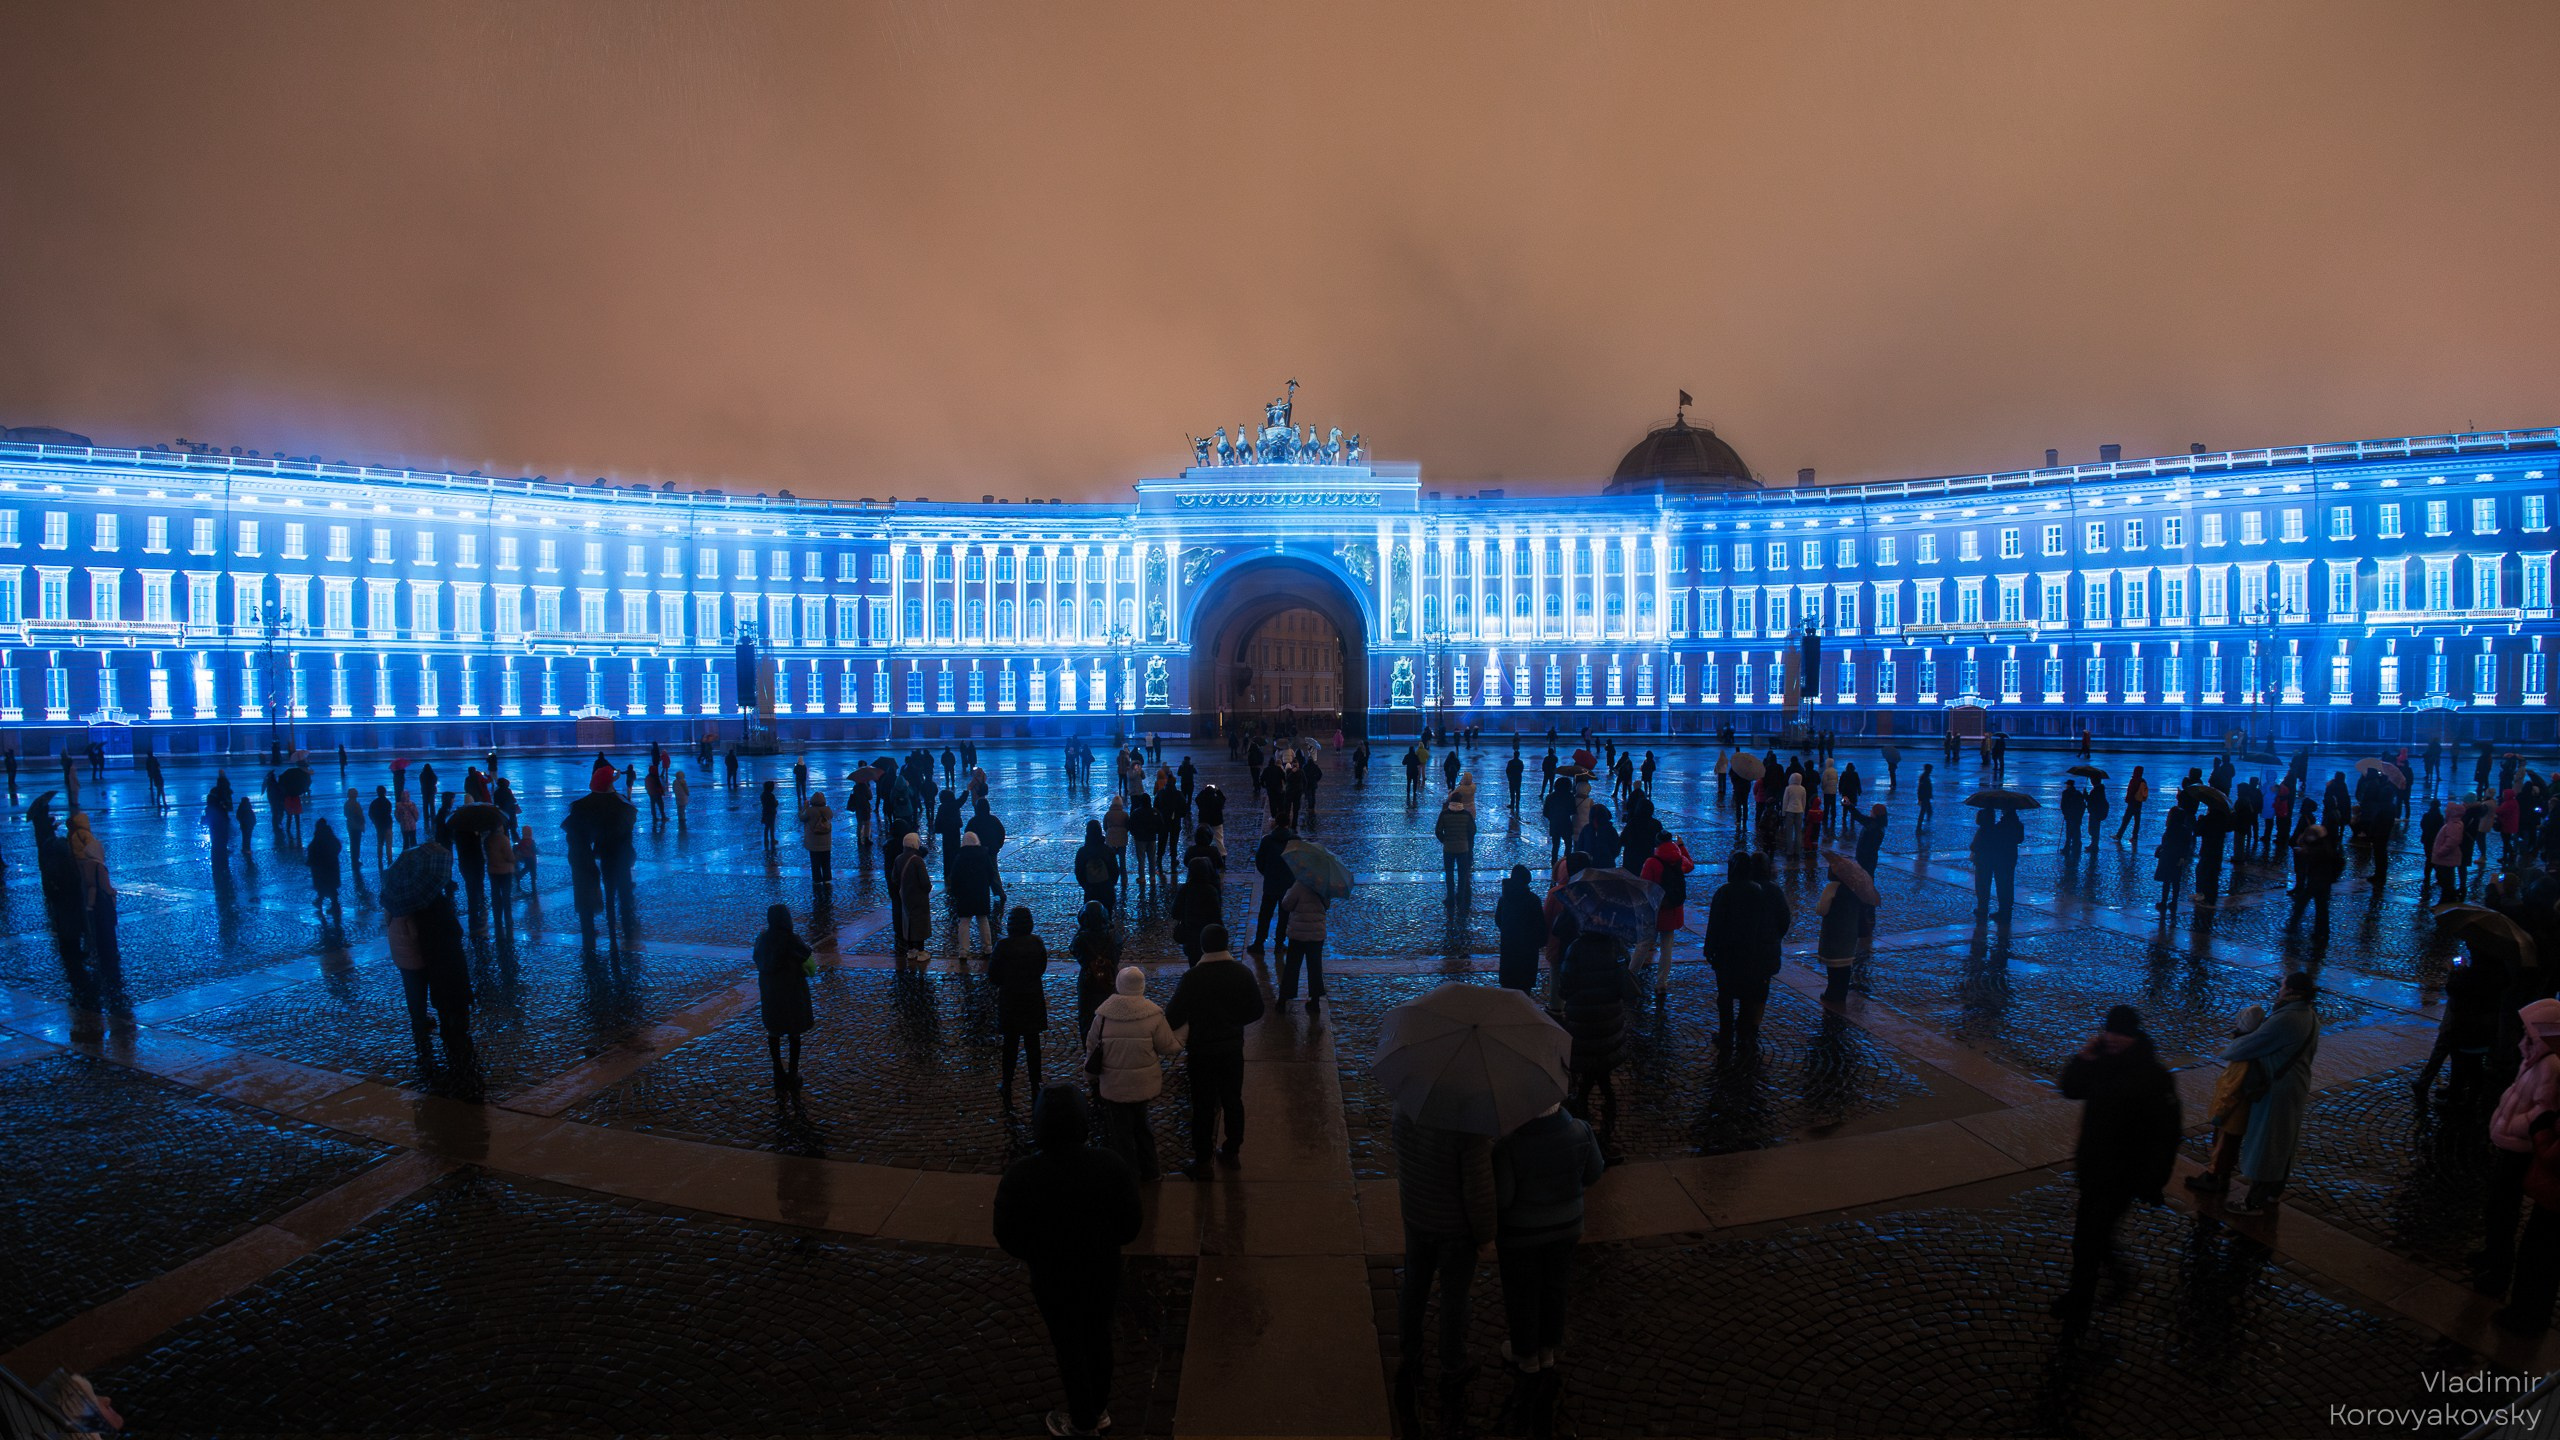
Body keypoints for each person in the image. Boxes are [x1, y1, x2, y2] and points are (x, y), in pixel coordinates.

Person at [993, 1084, 1145, 1439]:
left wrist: (1037, 1253)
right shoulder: (1111, 1165)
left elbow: (1008, 1234)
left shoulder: (1022, 1175)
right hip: (1103, 1270)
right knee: (1098, 1336)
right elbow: (1131, 1225)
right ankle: (1097, 1408)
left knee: (1068, 1344)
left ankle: (1083, 1421)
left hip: (1051, 1275)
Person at [2052, 1005, 2179, 1318]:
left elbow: (2167, 1134)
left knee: (2089, 1237)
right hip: (2094, 1167)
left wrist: (2153, 1180)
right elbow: (2070, 1088)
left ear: (2134, 1036)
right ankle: (2111, 1279)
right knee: (2092, 1236)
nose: (2112, 1037)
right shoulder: (2102, 1063)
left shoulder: (2154, 1076)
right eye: (2109, 1030)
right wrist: (2084, 1057)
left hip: (2124, 1173)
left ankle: (2082, 1297)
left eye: (2120, 1032)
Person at [1493, 1099, 1607, 1434]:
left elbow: (1504, 1198)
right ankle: (1548, 1350)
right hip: (1568, 1226)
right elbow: (1595, 1172)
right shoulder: (1580, 1130)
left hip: (1522, 1234)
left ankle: (1526, 1354)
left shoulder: (1509, 1146)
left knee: (1522, 1290)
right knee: (1556, 1287)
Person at [1392, 1106, 1497, 1436]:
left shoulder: (1405, 1110)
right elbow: (1478, 1189)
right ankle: (1453, 1364)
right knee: (1454, 1298)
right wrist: (1486, 1235)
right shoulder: (1469, 1124)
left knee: (1415, 1285)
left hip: (1417, 1214)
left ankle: (1410, 1351)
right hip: (1454, 1230)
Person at [1163, 922, 1264, 1175]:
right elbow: (1257, 1009)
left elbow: (1172, 1016)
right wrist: (1234, 1021)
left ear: (1202, 946)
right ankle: (1231, 1148)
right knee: (1232, 1099)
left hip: (1201, 1051)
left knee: (1203, 1104)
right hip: (1231, 1048)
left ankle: (1202, 1159)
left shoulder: (1193, 978)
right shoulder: (1241, 973)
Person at [2218, 973, 2321, 1215]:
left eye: (2282, 985)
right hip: (2295, 1085)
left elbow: (2247, 1046)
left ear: (2290, 991)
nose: (2279, 989)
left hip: (2277, 1089)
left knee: (2268, 1142)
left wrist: (2231, 1046)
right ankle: (2274, 1191)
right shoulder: (2308, 1015)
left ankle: (2254, 1201)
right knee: (2283, 1142)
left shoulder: (2287, 1018)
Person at [385, 849, 476, 1079]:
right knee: (450, 1012)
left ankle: (424, 1028)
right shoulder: (430, 908)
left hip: (414, 963)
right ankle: (459, 1056)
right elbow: (450, 932)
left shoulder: (400, 907)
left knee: (417, 996)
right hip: (436, 964)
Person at [1087, 966, 1180, 1183]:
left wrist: (1089, 1075)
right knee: (1142, 1127)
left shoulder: (1102, 1016)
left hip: (1113, 1084)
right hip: (1143, 1083)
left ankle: (1125, 1175)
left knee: (1120, 1134)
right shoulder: (1153, 1014)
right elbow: (1167, 1046)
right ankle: (1150, 1171)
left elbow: (1092, 1046)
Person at [1555, 930, 1630, 1157]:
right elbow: (1623, 977)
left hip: (1584, 1021)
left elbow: (1565, 986)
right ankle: (1607, 1123)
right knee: (1602, 1071)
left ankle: (1583, 1122)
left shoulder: (1576, 948)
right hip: (1609, 1021)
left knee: (1591, 1070)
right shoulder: (1616, 944)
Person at [2184, 1006, 2267, 1195]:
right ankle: (2222, 1178)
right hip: (2238, 1113)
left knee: (2222, 1147)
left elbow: (2231, 1089)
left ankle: (2213, 1178)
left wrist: (2220, 1112)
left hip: (2232, 1115)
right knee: (2229, 1148)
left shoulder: (2243, 1056)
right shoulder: (2254, 1049)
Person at [989, 907, 1050, 1100]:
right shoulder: (1037, 943)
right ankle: (1035, 1082)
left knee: (1010, 1044)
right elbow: (1042, 967)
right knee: (1033, 1043)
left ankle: (1007, 1082)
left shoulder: (1003, 946)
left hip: (1010, 1000)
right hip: (1032, 998)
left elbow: (993, 975)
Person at [753, 904, 814, 1089]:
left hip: (770, 991)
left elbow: (757, 958)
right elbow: (810, 965)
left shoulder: (762, 939)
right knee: (794, 1032)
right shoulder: (791, 940)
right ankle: (793, 1072)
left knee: (774, 1030)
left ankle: (777, 1071)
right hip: (792, 991)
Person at [1637, 834, 1693, 998]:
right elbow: (1690, 866)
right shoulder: (1678, 860)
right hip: (1673, 910)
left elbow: (1644, 886)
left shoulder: (1652, 862)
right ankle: (1662, 983)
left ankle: (1630, 976)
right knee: (1667, 948)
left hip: (1655, 910)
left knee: (1643, 945)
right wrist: (1681, 846)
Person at [1811, 863, 1873, 1005]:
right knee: (1846, 964)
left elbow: (1822, 910)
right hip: (1850, 931)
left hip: (1834, 930)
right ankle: (1842, 993)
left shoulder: (1832, 887)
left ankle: (1832, 993)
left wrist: (1817, 905)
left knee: (1833, 965)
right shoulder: (1856, 888)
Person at [1276, 870, 1331, 1014]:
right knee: (1315, 967)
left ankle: (1283, 999)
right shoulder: (1322, 886)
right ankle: (1315, 1001)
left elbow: (1286, 904)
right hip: (1317, 934)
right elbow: (1327, 905)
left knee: (1292, 967)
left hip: (1298, 934)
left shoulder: (1299, 885)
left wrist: (1289, 891)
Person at [1070, 901, 1122, 1040]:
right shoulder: (1113, 936)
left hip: (1089, 982)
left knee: (1087, 1019)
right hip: (1110, 979)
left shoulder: (1081, 940)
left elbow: (1073, 949)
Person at [1495, 864, 1547, 994]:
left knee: (1508, 987)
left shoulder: (1504, 898)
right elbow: (1539, 924)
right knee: (1524, 988)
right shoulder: (1533, 900)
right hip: (1527, 951)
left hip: (1509, 947)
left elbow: (1498, 919)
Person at [890, 833, 932, 969]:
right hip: (918, 896)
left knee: (907, 920)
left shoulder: (899, 858)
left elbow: (894, 878)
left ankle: (911, 950)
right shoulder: (917, 860)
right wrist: (926, 889)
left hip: (905, 895)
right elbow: (925, 882)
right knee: (920, 921)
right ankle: (920, 950)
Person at [1169, 856, 1222, 965]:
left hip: (1190, 937)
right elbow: (1216, 916)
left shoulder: (1185, 889)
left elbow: (1175, 912)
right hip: (1208, 937)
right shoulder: (1211, 890)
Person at [1434, 794, 1477, 904]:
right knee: (1462, 874)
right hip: (1463, 848)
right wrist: (1465, 840)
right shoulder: (1467, 815)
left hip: (1448, 848)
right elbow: (1472, 831)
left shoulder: (1444, 814)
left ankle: (1450, 897)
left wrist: (1445, 840)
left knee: (1449, 874)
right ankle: (1461, 896)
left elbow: (1438, 831)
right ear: (1461, 802)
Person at [307, 819, 343, 925]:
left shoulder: (318, 837)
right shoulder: (330, 835)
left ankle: (323, 903)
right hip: (331, 867)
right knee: (331, 888)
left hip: (321, 869)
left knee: (323, 887)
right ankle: (330, 905)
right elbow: (338, 846)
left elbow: (312, 851)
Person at [798, 790, 836, 891]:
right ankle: (827, 878)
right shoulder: (828, 810)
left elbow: (801, 817)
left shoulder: (810, 811)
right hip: (826, 842)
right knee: (826, 861)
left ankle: (817, 879)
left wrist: (805, 807)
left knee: (815, 862)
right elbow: (831, 816)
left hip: (813, 841)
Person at [2117, 766, 2149, 843]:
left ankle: (2119, 835)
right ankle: (2134, 837)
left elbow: (2130, 791)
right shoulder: (2143, 781)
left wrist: (2127, 799)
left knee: (2126, 820)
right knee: (2137, 821)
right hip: (2139, 803)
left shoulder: (2133, 780)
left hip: (2132, 803)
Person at [1915, 763, 1934, 828]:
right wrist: (1920, 798)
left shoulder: (1925, 776)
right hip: (1925, 797)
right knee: (1924, 811)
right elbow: (1921, 788)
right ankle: (1920, 825)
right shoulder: (1924, 777)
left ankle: (1923, 824)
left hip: (1926, 797)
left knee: (1928, 811)